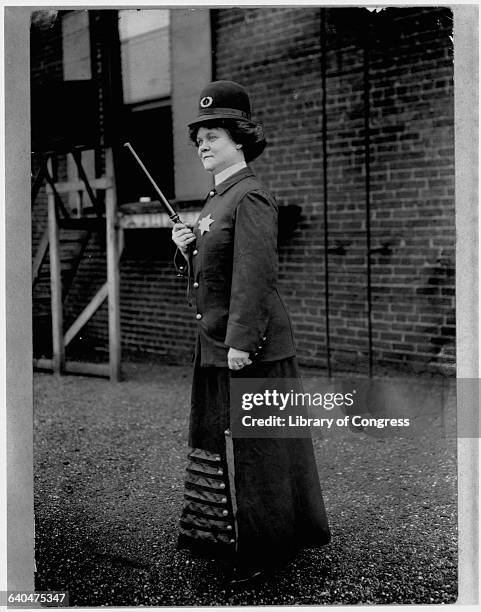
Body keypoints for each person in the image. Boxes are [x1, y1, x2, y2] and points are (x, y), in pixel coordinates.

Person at [171, 80, 330, 586]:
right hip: (219, 340)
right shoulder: (217, 199)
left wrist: (242, 341)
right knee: (229, 441)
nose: (202, 144)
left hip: (249, 344)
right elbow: (213, 271)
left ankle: (267, 552)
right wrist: (186, 245)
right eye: (199, 137)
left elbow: (256, 275)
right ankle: (236, 533)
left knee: (260, 449)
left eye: (213, 135)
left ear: (240, 139)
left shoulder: (252, 196)